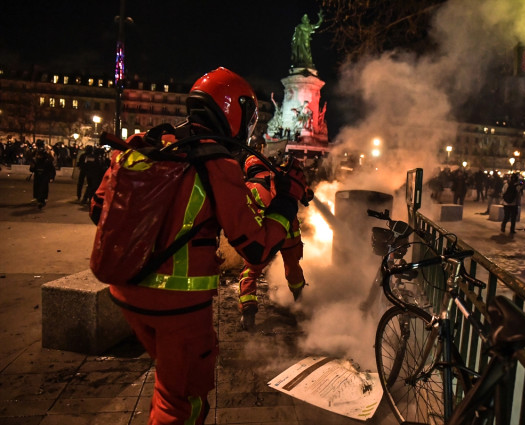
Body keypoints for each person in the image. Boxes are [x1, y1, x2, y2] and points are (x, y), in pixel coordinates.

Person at [90, 67, 306, 425]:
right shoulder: (216, 162)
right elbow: (256, 250)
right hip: (177, 307)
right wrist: (287, 200)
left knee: (167, 383)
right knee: (184, 402)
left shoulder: (152, 141)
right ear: (233, 110)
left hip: (125, 290)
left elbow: (100, 210)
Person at [237, 154, 312, 330]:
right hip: (289, 231)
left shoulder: (246, 186)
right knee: (293, 267)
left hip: (264, 235)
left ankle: (248, 314)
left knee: (250, 271)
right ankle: (300, 307)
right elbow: (305, 192)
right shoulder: (279, 175)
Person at [29, 139, 56, 209]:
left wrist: (52, 177)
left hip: (44, 174)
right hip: (38, 173)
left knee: (43, 187)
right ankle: (38, 198)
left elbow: (51, 167)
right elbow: (33, 165)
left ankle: (42, 200)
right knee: (37, 186)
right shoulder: (36, 155)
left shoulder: (46, 156)